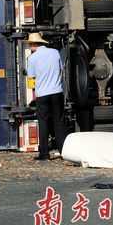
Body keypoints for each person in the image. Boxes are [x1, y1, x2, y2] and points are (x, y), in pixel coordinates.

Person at [25, 32, 67, 161]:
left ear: (33, 45)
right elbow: (61, 69)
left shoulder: (32, 58)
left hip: (42, 94)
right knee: (59, 122)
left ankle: (44, 154)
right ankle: (63, 151)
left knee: (43, 123)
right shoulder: (54, 52)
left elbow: (31, 77)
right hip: (57, 92)